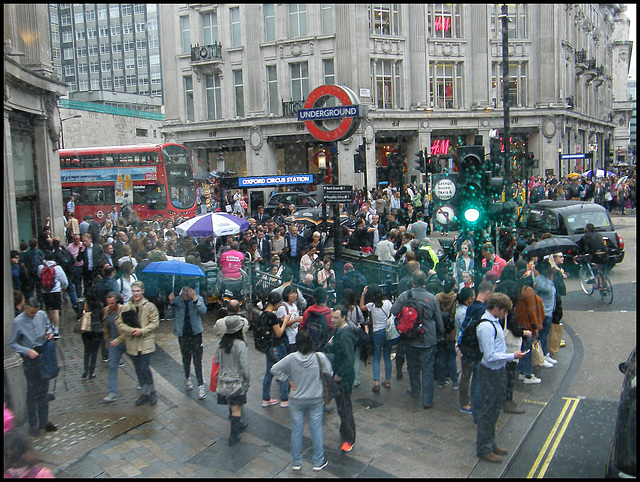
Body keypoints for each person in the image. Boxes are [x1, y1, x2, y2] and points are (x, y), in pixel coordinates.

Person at [475, 293, 527, 463]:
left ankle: (490, 443)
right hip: (490, 373)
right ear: (496, 308)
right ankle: (483, 449)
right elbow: (489, 356)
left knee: (495, 409)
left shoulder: (494, 322)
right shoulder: (486, 327)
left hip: (498, 372)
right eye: (504, 311)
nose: (506, 315)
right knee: (488, 411)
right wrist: (512, 356)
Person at [270, 330, 332, 471]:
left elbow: (274, 369)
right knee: (316, 429)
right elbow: (329, 372)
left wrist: (288, 380)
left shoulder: (291, 358)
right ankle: (318, 461)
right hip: (316, 398)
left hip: (297, 399)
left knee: (297, 430)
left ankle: (296, 462)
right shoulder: (319, 357)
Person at [390, 270, 444, 409]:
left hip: (410, 336)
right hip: (427, 338)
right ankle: (427, 400)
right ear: (424, 282)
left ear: (412, 281)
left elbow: (394, 311)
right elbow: (438, 318)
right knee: (427, 369)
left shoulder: (405, 296)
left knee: (412, 366)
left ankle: (415, 390)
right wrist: (440, 333)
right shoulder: (431, 298)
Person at [9, 297, 57, 437]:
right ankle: (33, 424)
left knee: (44, 390)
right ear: (25, 308)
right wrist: (26, 351)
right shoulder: (18, 322)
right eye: (32, 313)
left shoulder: (41, 315)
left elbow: (49, 327)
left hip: (43, 355)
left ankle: (44, 421)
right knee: (32, 392)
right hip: (30, 359)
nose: (34, 315)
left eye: (36, 312)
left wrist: (49, 333)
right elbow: (13, 343)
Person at [116, 281, 160, 406]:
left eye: (138, 291)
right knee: (138, 369)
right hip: (133, 343)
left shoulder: (149, 306)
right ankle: (144, 392)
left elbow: (155, 323)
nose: (135, 293)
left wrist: (142, 331)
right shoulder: (126, 307)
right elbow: (119, 323)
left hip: (145, 342)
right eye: (134, 291)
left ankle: (152, 391)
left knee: (144, 367)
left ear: (142, 291)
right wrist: (131, 330)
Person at [167, 282, 208, 400]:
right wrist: (170, 302)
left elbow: (203, 311)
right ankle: (187, 376)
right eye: (184, 290)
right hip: (183, 334)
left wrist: (195, 299)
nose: (186, 293)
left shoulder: (197, 299)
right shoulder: (177, 300)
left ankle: (200, 385)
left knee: (197, 360)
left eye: (188, 291)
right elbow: (169, 315)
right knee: (186, 358)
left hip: (196, 333)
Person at [327, 304, 357, 452]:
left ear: (343, 317)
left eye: (336, 318)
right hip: (339, 373)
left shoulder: (345, 335)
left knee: (345, 407)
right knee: (342, 406)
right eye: (332, 317)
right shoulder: (339, 331)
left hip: (343, 377)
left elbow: (348, 360)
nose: (332, 320)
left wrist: (339, 374)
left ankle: (349, 438)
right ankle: (345, 430)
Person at [215, 316, 250, 446]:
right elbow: (244, 367)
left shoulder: (221, 343)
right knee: (237, 409)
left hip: (223, 381)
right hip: (236, 381)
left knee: (232, 406)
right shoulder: (240, 345)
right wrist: (247, 381)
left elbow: (217, 361)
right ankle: (234, 435)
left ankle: (235, 427)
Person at [260, 292, 292, 408]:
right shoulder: (272, 316)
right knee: (283, 371)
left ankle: (266, 397)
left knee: (269, 372)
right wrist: (285, 321)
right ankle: (284, 398)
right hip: (276, 346)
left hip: (268, 346)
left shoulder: (263, 314)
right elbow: (278, 333)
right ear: (276, 303)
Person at [359, 285, 394, 393]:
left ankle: (376, 382)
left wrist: (363, 293)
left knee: (377, 357)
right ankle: (387, 380)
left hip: (377, 332)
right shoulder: (388, 303)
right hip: (387, 332)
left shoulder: (371, 305)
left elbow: (361, 307)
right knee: (387, 356)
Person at [37, 250, 68, 340]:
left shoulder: (41, 267)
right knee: (55, 311)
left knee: (49, 309)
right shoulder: (57, 268)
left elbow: (40, 276)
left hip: (45, 291)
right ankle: (56, 331)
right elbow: (64, 280)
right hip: (55, 291)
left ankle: (50, 327)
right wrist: (63, 287)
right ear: (53, 258)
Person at [435, 277, 459, 389]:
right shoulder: (456, 299)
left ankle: (441, 380)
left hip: (440, 330)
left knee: (440, 356)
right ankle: (454, 381)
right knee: (451, 357)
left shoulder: (437, 297)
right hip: (451, 331)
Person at [455, 287, 475, 413]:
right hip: (465, 346)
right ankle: (464, 402)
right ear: (469, 299)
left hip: (463, 345)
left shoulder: (461, 310)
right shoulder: (464, 313)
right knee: (466, 374)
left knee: (466, 373)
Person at [102, 292, 125, 403]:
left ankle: (142, 383)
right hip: (113, 342)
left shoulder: (123, 310)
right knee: (112, 366)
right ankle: (112, 392)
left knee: (137, 363)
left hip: (125, 341)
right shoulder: (106, 310)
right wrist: (108, 340)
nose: (110, 305)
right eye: (108, 303)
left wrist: (119, 339)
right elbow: (106, 327)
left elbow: (128, 327)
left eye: (112, 303)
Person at [533, 260, 557, 368]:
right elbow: (548, 288)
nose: (549, 270)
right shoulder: (539, 281)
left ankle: (545, 354)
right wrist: (552, 275)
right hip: (543, 312)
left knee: (546, 334)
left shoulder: (545, 279)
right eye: (548, 268)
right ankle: (540, 357)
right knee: (542, 335)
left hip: (549, 311)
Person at [342, 288, 367, 388]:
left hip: (346, 335)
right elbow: (362, 320)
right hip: (356, 335)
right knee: (356, 357)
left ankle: (347, 377)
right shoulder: (356, 308)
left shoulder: (342, 309)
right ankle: (356, 380)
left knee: (347, 357)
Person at [80, 286, 104, 380]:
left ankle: (85, 370)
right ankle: (92, 371)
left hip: (86, 331)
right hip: (97, 331)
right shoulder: (100, 305)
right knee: (94, 352)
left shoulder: (84, 304)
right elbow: (102, 318)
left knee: (87, 351)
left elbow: (79, 315)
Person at [276, 285, 304, 356]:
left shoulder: (294, 306)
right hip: (287, 338)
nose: (294, 295)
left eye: (295, 293)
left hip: (295, 336)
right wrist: (296, 320)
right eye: (291, 293)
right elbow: (283, 323)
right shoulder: (283, 307)